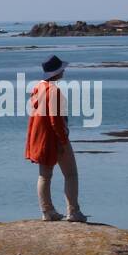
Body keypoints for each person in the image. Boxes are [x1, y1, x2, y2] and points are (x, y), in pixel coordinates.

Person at [24, 55, 87, 222]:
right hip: (54, 139)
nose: (64, 70)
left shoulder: (38, 87)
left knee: (44, 176)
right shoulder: (53, 91)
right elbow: (55, 120)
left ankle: (47, 211)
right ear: (57, 72)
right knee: (71, 174)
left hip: (40, 138)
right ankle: (73, 211)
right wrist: (63, 141)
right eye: (62, 69)